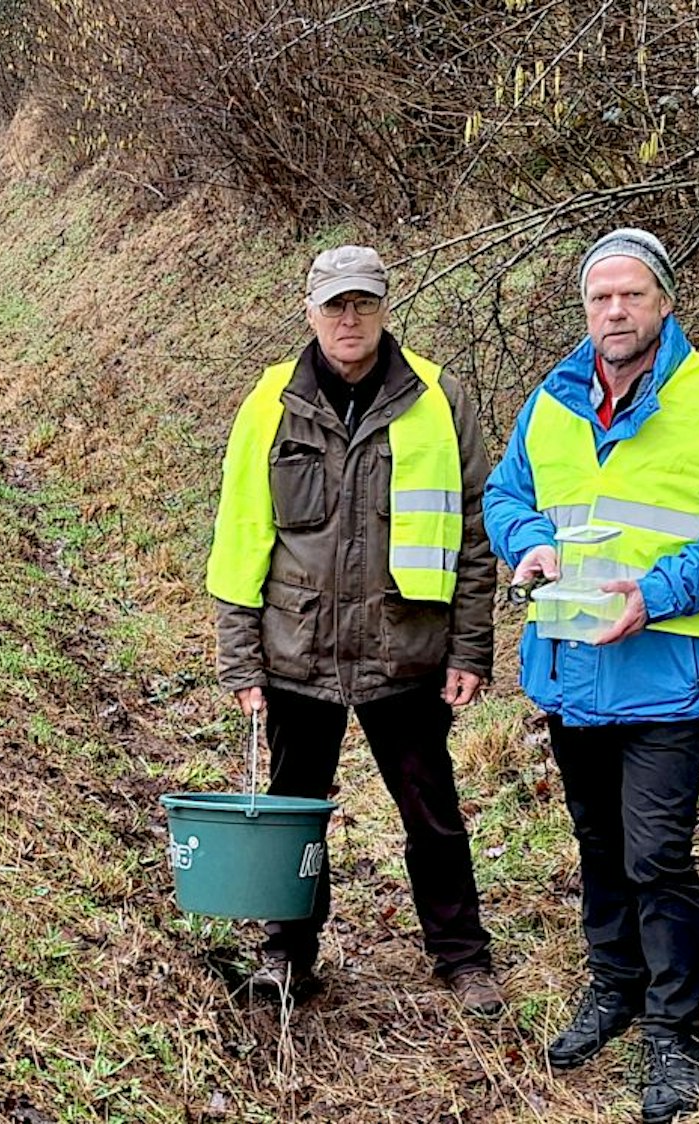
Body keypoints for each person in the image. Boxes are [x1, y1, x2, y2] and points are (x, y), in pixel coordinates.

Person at [484, 228, 699, 1122]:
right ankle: (613, 991)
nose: (613, 312)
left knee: (656, 855)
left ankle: (673, 1029)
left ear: (662, 302)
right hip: (570, 667)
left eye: (629, 295)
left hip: (665, 668)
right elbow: (506, 494)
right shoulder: (551, 398)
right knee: (598, 845)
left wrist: (656, 593)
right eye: (597, 298)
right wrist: (527, 542)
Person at [206, 245, 504, 1017]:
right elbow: (240, 535)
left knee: (431, 814)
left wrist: (469, 646)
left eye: (362, 303)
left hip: (404, 651)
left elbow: (475, 534)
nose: (349, 319)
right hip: (296, 653)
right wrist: (240, 658)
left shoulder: (438, 397)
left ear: (383, 308)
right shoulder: (269, 401)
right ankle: (286, 954)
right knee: (290, 814)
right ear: (308, 310)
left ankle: (462, 960)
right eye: (335, 304)